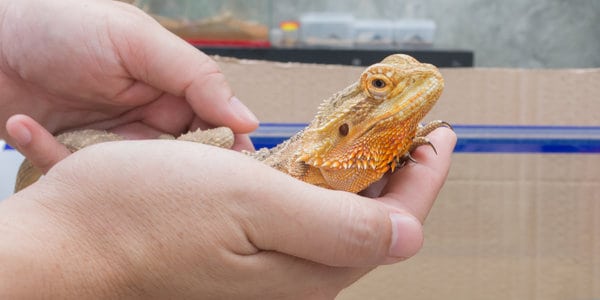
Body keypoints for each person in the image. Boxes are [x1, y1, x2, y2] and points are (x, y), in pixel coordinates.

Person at [0, 0, 456, 298]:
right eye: (380, 86)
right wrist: (88, 248)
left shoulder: (346, 157)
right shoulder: (304, 169)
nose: (425, 79)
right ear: (343, 126)